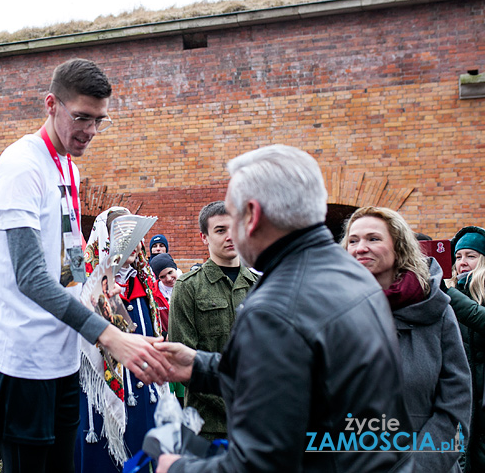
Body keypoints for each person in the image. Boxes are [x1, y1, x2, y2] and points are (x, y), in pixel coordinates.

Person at [156, 144, 412, 473]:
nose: (231, 232)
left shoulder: (275, 309)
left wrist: (174, 468)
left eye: (232, 218)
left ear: (253, 215)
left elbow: (261, 464)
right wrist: (202, 367)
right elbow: (304, 382)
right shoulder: (351, 273)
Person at [0, 58, 170, 473]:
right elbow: (30, 277)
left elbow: (69, 260)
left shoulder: (68, 166)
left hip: (63, 354)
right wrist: (109, 336)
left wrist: (97, 286)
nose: (90, 131)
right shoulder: (21, 167)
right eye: (82, 117)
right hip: (21, 357)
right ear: (51, 104)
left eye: (100, 120)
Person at [343, 206, 470, 472]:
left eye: (373, 238)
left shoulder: (435, 309)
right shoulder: (330, 312)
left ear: (398, 246)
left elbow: (456, 404)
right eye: (353, 240)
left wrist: (416, 466)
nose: (360, 248)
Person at [76, 207, 166, 472]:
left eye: (136, 236)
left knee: (140, 451)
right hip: (105, 389)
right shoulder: (88, 285)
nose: (133, 244)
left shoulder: (144, 281)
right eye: (123, 235)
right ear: (106, 241)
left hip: (142, 385)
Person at [167, 201, 257, 442]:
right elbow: (182, 359)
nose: (230, 237)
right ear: (204, 237)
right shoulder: (188, 287)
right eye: (220, 230)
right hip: (207, 426)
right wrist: (235, 406)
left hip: (257, 421)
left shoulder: (259, 287)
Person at [445, 226, 485, 472]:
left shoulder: (451, 294)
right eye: (458, 257)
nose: (462, 262)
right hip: (461, 390)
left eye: (471, 256)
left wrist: (448, 293)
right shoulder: (449, 293)